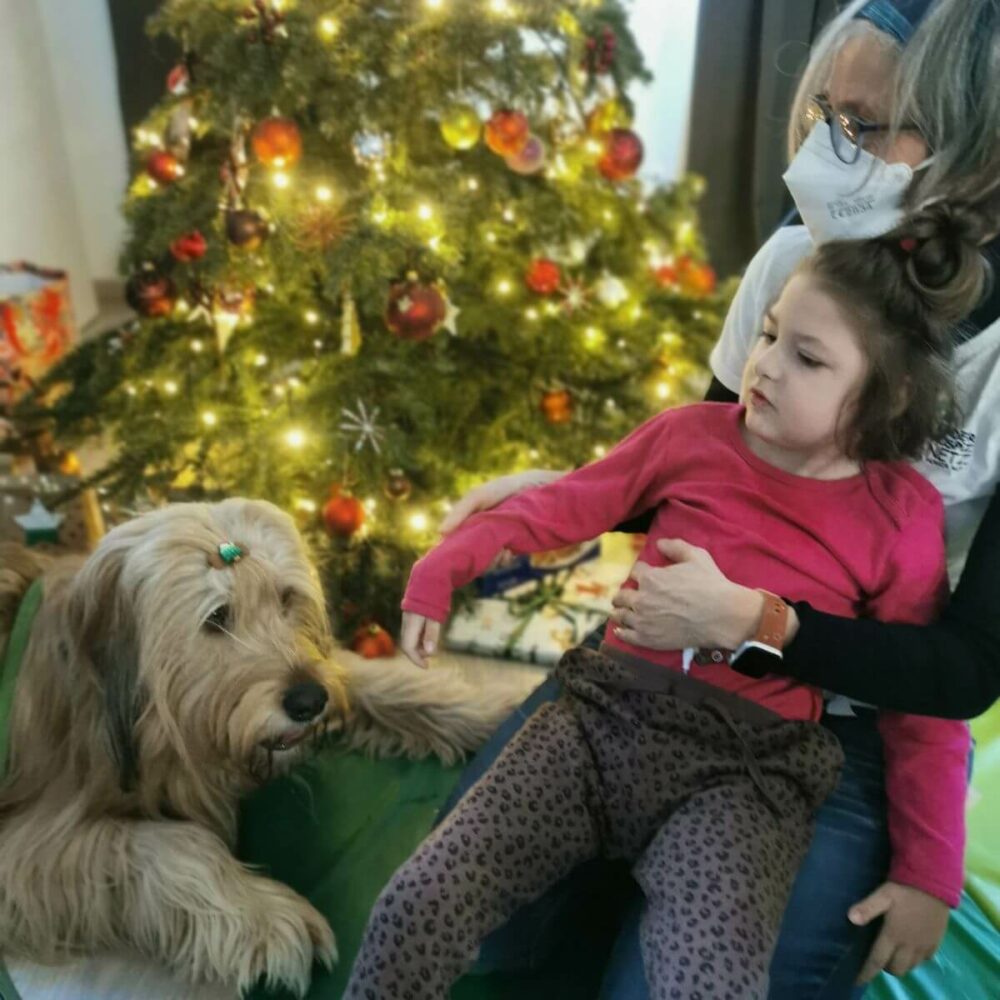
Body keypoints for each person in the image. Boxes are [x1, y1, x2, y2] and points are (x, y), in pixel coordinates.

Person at [434, 1, 1000, 995]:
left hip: (844, 721)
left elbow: (960, 672)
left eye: (865, 128)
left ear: (975, 153)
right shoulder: (795, 259)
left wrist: (924, 862)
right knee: (477, 925)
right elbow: (697, 471)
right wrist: (564, 499)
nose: (830, 154)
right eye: (826, 115)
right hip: (663, 670)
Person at [343, 207, 980, 1000]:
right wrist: (449, 561)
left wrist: (929, 873)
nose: (767, 366)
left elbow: (924, 712)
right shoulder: (689, 435)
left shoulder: (902, 515)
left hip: (747, 776)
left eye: (808, 358)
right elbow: (564, 505)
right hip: (598, 723)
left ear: (887, 399)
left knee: (704, 984)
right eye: (770, 334)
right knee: (418, 902)